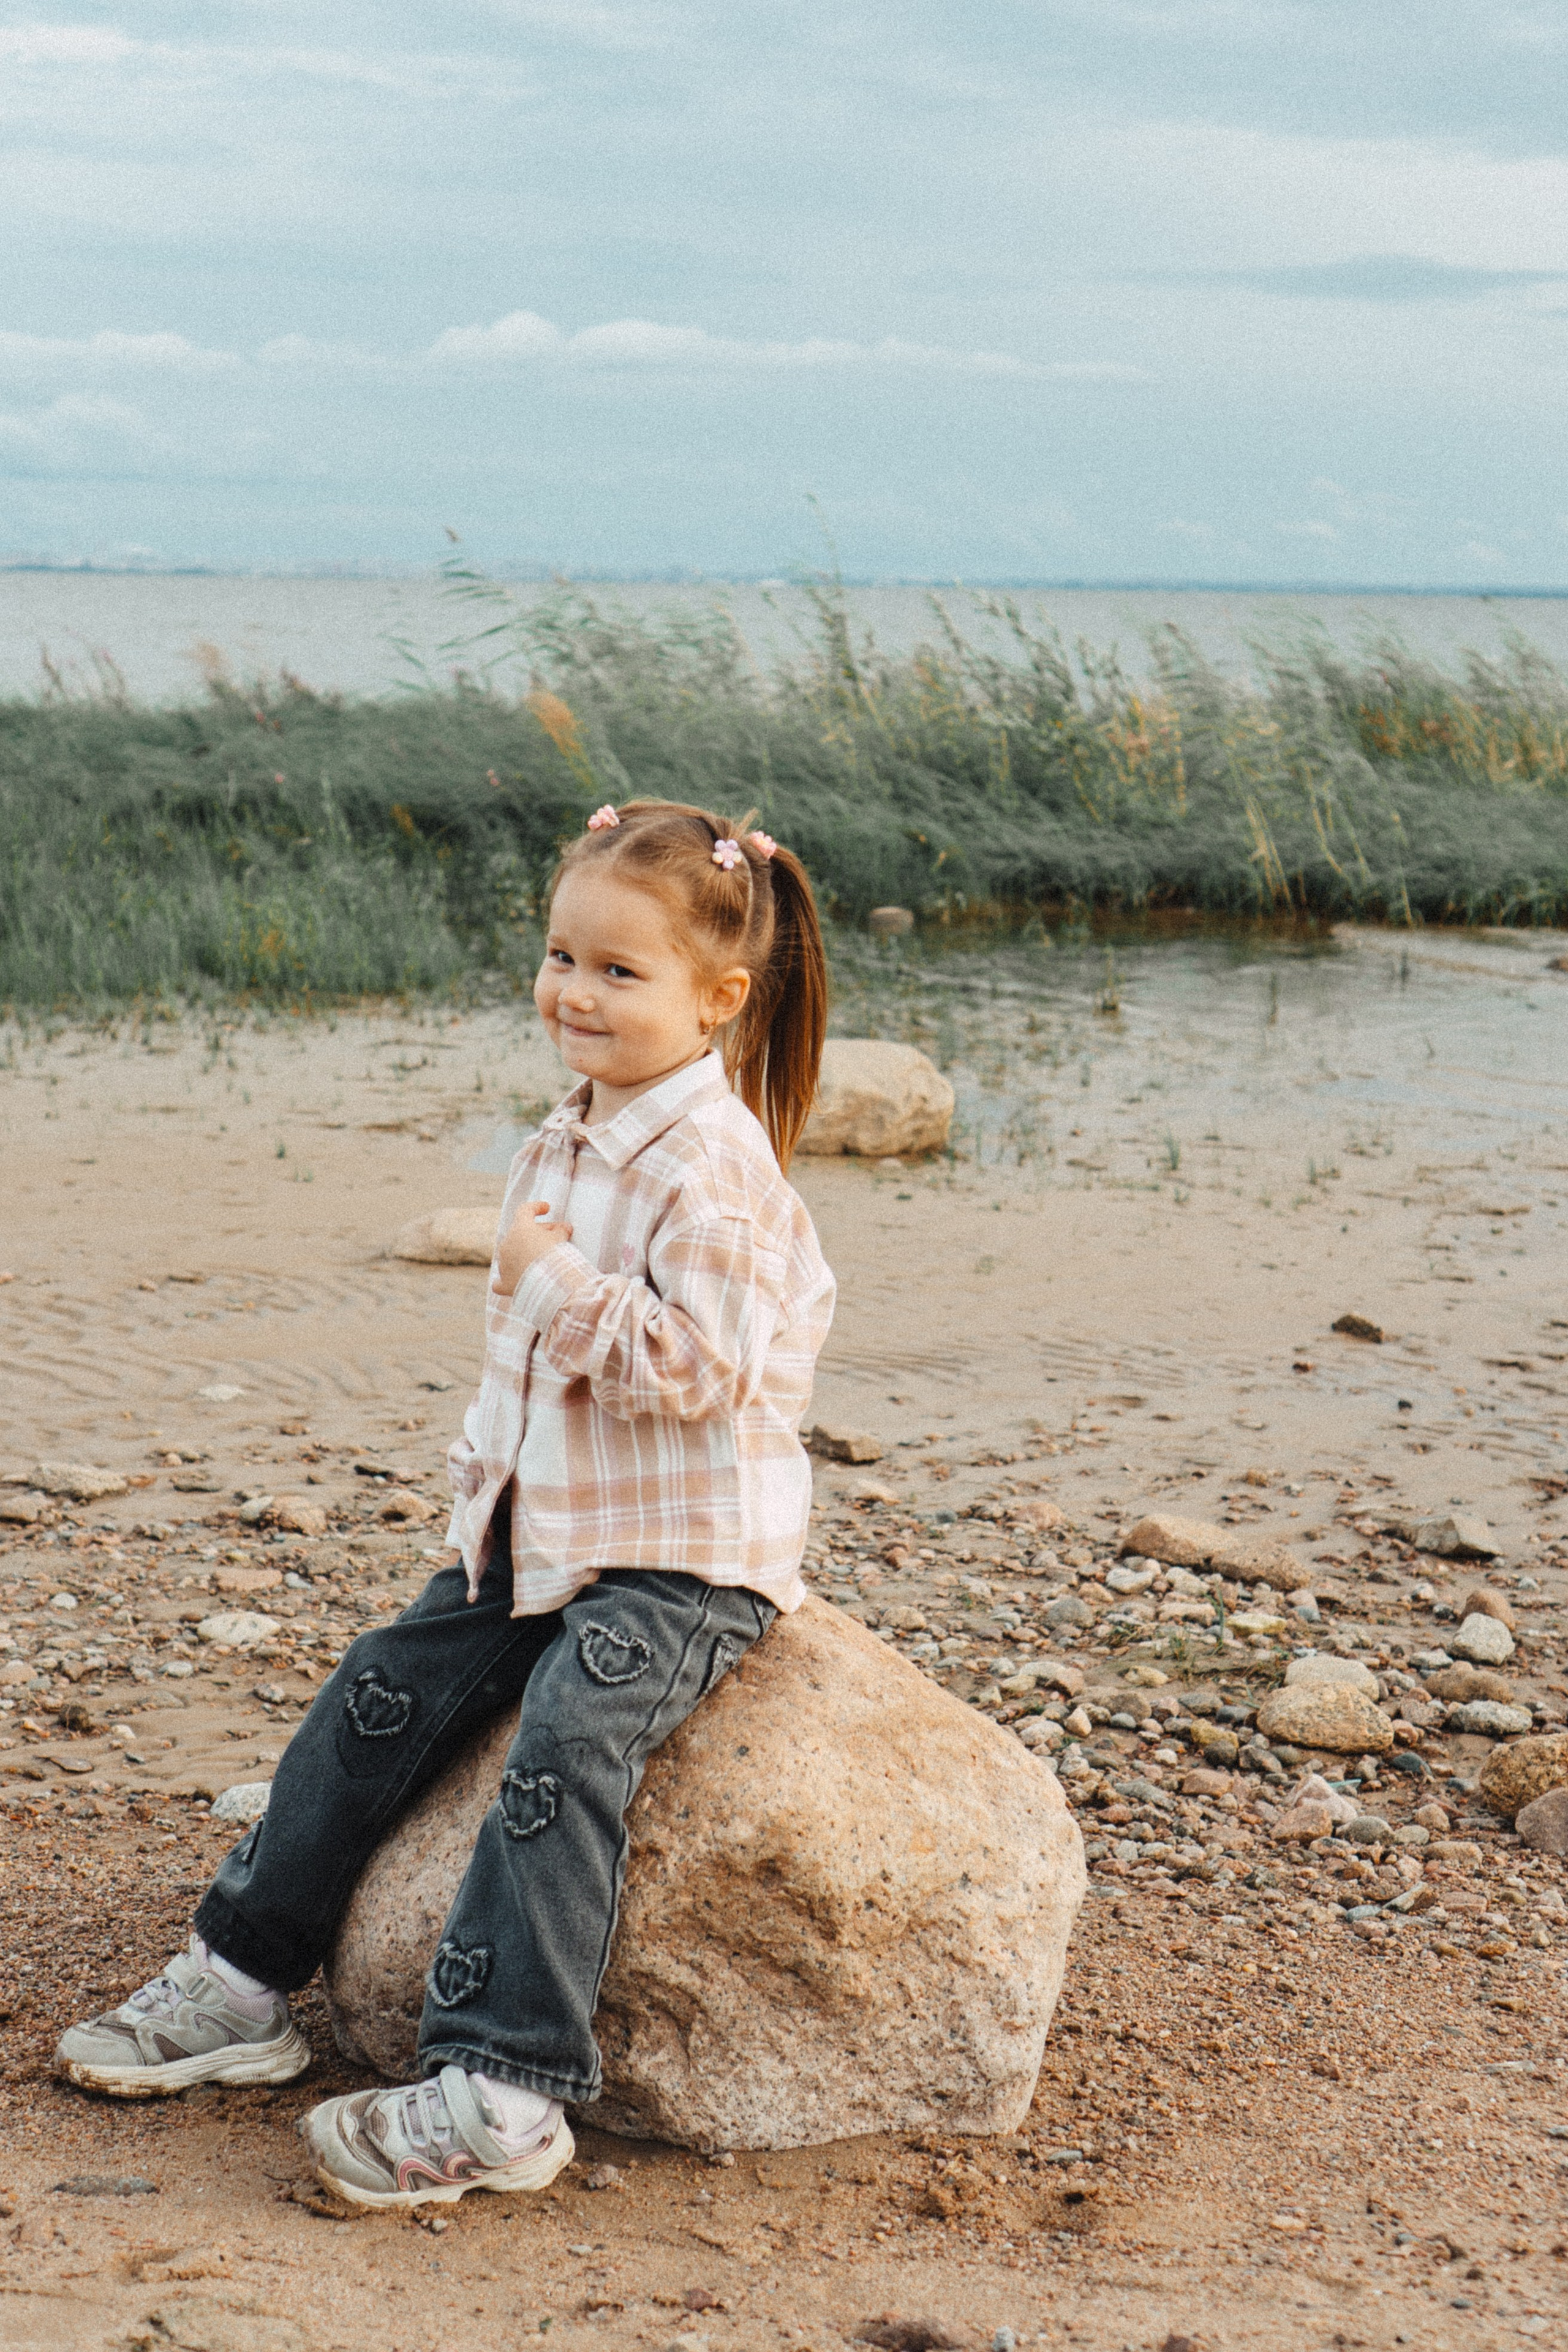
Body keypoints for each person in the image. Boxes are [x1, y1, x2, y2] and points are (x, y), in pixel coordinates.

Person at [55, 798, 835, 2212]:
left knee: (565, 1747)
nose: (573, 992)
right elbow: (528, 1383)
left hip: (679, 1557)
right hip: (543, 1534)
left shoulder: (714, 1170)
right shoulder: (573, 1131)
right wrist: (484, 1504)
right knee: (380, 1692)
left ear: (718, 999)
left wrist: (549, 1281)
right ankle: (241, 1978)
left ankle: (505, 2092)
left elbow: (702, 1373)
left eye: (618, 971)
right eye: (560, 956)